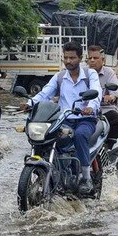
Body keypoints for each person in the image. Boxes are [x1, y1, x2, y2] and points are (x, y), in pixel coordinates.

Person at [23, 41, 102, 193]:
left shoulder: (89, 74)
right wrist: (29, 103)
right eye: (65, 58)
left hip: (85, 119)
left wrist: (90, 106)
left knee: (80, 135)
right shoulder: (59, 77)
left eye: (72, 58)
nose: (68, 61)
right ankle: (54, 171)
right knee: (48, 137)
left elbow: (96, 91)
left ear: (80, 58)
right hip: (64, 119)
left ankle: (85, 178)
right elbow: (45, 93)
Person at [86, 45, 118, 146]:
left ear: (103, 60)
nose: (92, 61)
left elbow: (114, 92)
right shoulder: (82, 72)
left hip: (104, 110)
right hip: (85, 111)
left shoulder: (109, 73)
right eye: (90, 58)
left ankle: (107, 146)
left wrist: (111, 97)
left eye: (95, 58)